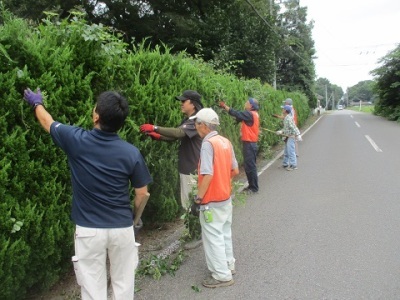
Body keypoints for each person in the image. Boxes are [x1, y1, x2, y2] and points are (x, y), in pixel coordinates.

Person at [23, 88, 152, 300]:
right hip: (121, 228)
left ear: (96, 116)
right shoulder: (131, 152)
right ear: (121, 122)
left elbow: (47, 122)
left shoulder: (76, 140)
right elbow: (142, 193)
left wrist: (37, 103)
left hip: (89, 230)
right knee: (124, 283)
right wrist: (134, 220)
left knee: (92, 287)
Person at [190, 108, 239, 288]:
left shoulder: (207, 144)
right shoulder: (225, 141)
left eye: (196, 123)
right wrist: (222, 182)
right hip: (225, 197)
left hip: (211, 200)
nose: (195, 127)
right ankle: (228, 265)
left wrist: (198, 198)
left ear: (203, 125)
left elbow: (207, 174)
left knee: (213, 237)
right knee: (225, 233)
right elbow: (235, 170)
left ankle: (221, 275)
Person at [140, 90, 203, 209]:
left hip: (192, 169)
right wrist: (159, 137)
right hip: (189, 168)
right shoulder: (189, 120)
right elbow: (177, 136)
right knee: (190, 204)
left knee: (190, 205)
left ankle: (195, 227)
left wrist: (155, 127)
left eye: (184, 101)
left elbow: (178, 133)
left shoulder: (196, 120)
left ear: (193, 104)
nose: (181, 103)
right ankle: (195, 227)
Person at [219, 98, 260, 193]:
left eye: (247, 102)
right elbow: (239, 117)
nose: (245, 104)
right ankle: (251, 186)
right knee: (250, 165)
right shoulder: (253, 114)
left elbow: (236, 113)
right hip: (250, 143)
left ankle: (253, 188)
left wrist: (225, 106)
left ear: (251, 105)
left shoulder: (250, 114)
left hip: (250, 143)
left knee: (250, 166)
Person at [277, 105, 301, 171]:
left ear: (285, 110)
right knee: (286, 151)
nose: (282, 110)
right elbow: (286, 128)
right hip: (287, 136)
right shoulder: (286, 117)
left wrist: (298, 134)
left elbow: (293, 127)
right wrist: (281, 131)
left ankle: (293, 165)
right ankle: (285, 164)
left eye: (283, 109)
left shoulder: (288, 118)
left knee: (291, 151)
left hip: (291, 136)